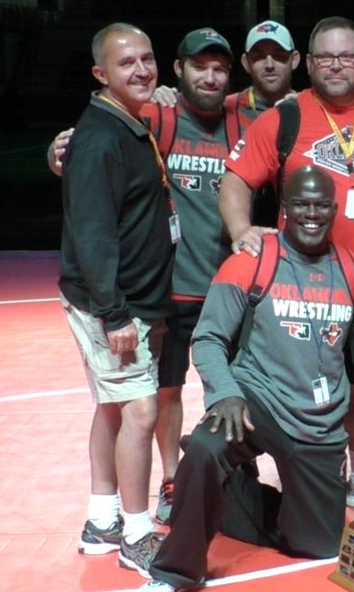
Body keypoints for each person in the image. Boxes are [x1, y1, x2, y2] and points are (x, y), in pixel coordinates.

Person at [131, 166, 354, 592]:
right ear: (284, 210)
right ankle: (175, 570)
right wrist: (225, 393)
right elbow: (209, 337)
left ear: (333, 210)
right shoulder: (252, 261)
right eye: (300, 205)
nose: (311, 214)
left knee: (319, 545)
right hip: (255, 401)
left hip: (319, 420)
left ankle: (231, 494)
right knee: (206, 448)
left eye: (321, 206)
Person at [50, 27, 243, 525]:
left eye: (220, 67)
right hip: (150, 294)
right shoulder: (151, 115)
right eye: (199, 65)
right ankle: (151, 504)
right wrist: (58, 153)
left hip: (221, 287)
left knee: (124, 404)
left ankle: (105, 516)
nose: (139, 70)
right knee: (150, 401)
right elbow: (88, 192)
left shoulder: (241, 119)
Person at [219, 16, 354, 503]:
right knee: (295, 385)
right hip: (300, 289)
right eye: (325, 56)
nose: (336, 65)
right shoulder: (284, 118)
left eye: (346, 56)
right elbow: (235, 180)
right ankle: (274, 479)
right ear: (309, 63)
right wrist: (241, 231)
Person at [59, 22, 172, 574]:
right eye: (126, 63)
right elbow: (92, 233)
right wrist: (114, 312)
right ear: (101, 74)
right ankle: (137, 532)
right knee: (141, 410)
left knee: (112, 406)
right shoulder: (101, 137)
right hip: (113, 304)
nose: (142, 70)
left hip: (129, 300)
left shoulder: (129, 123)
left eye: (148, 58)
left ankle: (102, 519)